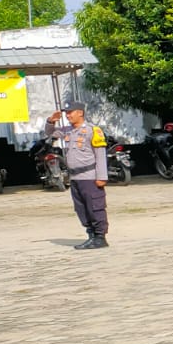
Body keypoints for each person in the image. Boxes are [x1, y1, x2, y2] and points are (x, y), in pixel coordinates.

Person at [43, 102, 110, 250]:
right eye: (66, 113)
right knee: (81, 208)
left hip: (90, 176)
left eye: (70, 112)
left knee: (95, 207)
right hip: (75, 177)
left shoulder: (93, 130)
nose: (68, 115)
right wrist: (50, 121)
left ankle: (100, 237)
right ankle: (91, 235)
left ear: (80, 113)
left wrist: (102, 177)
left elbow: (100, 155)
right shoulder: (67, 131)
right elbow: (49, 133)